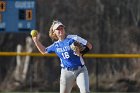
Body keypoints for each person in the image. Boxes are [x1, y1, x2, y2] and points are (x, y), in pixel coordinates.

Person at [31, 20, 92, 93]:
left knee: (85, 91)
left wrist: (81, 53)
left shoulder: (73, 38)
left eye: (61, 27)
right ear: (54, 33)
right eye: (58, 29)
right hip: (66, 72)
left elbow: (89, 45)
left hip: (80, 70)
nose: (60, 30)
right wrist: (36, 41)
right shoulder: (56, 45)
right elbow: (44, 51)